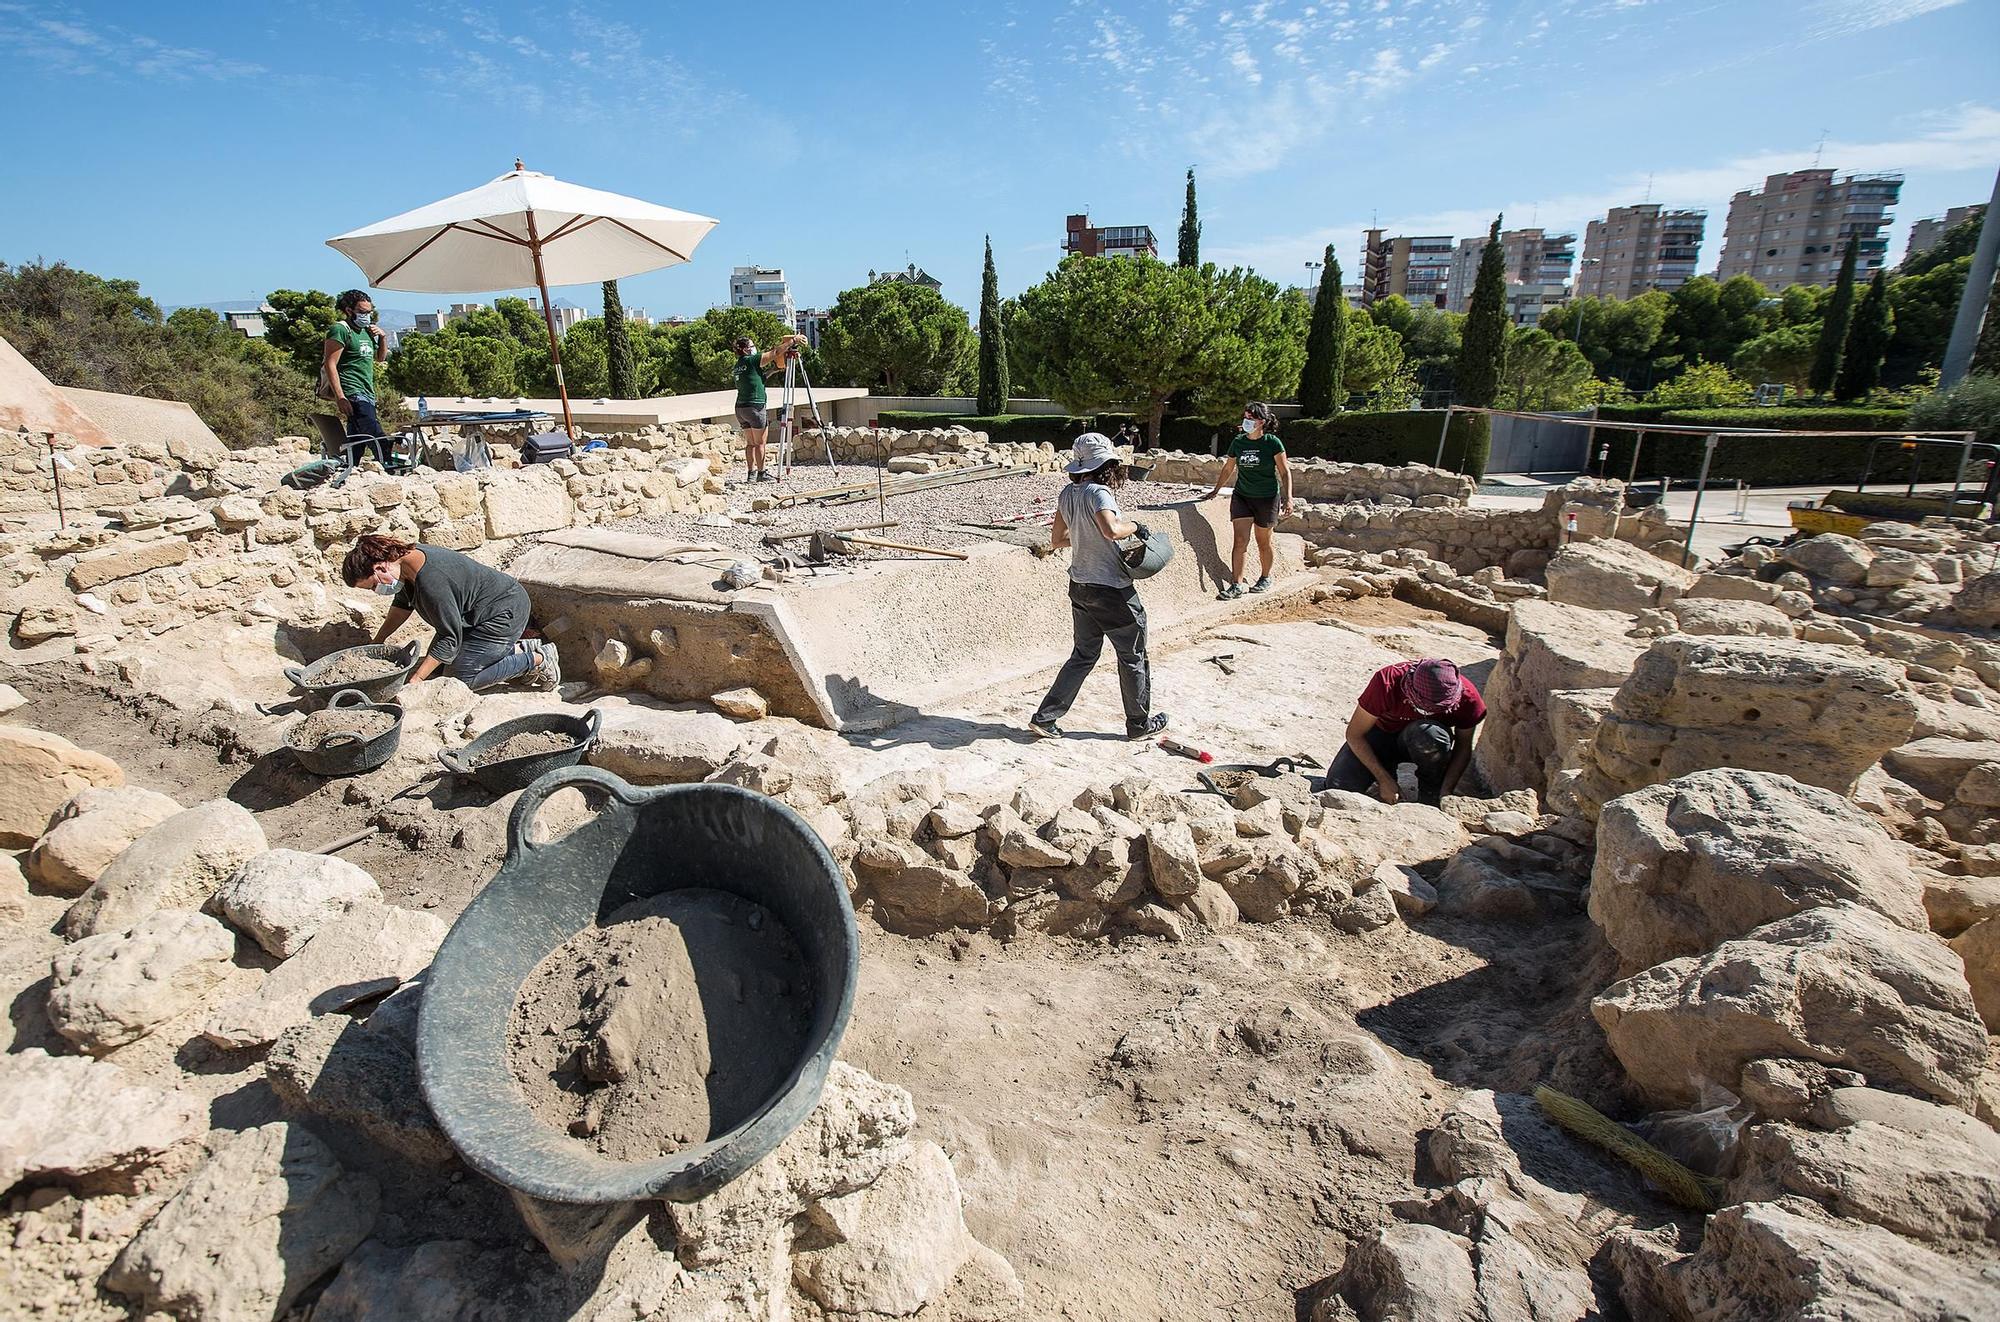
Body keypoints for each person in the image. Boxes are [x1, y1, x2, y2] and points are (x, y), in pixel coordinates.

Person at [1029, 434, 1170, 741]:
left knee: (1083, 654)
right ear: (1106, 463)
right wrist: (1135, 527)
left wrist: (1083, 540)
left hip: (1080, 586)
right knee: (1132, 655)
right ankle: (1139, 724)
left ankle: (1046, 717)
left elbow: (1057, 540)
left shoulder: (1068, 493)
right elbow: (1112, 530)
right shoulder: (1100, 493)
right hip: (1112, 589)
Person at [340, 534, 559, 692]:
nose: (376, 591)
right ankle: (514, 650)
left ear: (380, 568)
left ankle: (537, 658)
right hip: (471, 617)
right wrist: (379, 640)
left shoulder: (432, 581)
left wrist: (415, 681)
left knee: (460, 679)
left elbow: (449, 637)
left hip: (502, 613)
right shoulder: (406, 563)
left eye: (372, 586)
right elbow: (402, 605)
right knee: (437, 670)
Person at [1321, 658, 1485, 806]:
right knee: (1339, 787)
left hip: (1425, 741)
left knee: (1429, 736)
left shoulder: (1468, 697)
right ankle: (1384, 772)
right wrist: (1384, 779)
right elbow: (1354, 735)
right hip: (1382, 736)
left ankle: (1431, 789)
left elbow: (1463, 747)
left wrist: (1446, 792)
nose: (1427, 711)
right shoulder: (1387, 681)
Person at [1204, 401, 1291, 599]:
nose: (1246, 421)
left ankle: (1265, 576)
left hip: (1267, 497)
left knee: (1263, 541)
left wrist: (1289, 498)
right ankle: (1237, 584)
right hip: (1242, 496)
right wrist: (1215, 490)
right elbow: (1228, 468)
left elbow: (1285, 472)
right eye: (1245, 417)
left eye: (1251, 418)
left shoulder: (1272, 443)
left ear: (1262, 421)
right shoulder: (1238, 442)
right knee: (1240, 540)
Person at [733, 332, 809, 483]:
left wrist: (775, 370)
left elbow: (759, 378)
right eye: (752, 346)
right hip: (755, 406)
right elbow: (774, 353)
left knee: (750, 443)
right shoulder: (751, 360)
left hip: (741, 407)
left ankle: (751, 473)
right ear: (747, 349)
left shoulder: (739, 365)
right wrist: (793, 340)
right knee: (760, 443)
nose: (755, 348)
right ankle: (761, 473)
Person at [323, 291, 389, 462]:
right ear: (349, 311)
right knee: (376, 435)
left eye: (369, 312)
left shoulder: (367, 331)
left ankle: (350, 467)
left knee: (358, 438)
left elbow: (380, 358)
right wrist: (340, 397)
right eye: (362, 312)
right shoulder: (340, 330)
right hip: (352, 390)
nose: (366, 316)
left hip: (368, 391)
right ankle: (389, 465)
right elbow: (330, 364)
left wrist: (382, 337)